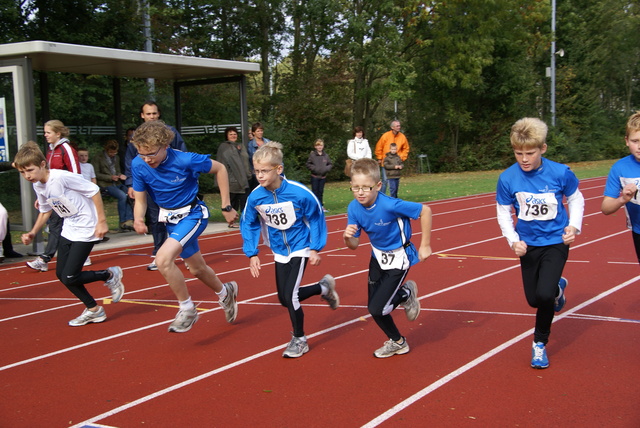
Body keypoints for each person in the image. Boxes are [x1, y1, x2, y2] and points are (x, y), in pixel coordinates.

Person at [131, 120, 239, 333]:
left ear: (166, 146)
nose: (146, 159)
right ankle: (225, 293)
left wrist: (226, 205)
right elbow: (141, 199)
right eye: (142, 153)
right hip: (170, 220)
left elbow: (220, 168)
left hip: (193, 214)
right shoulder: (138, 164)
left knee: (162, 259)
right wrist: (138, 219)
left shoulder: (185, 159)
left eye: (151, 154)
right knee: (197, 268)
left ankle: (187, 308)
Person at [496, 117, 584, 369]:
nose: (524, 159)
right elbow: (503, 211)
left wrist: (573, 226)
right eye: (518, 153)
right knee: (534, 299)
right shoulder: (507, 178)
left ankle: (539, 344)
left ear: (542, 149)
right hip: (528, 244)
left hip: (556, 241)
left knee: (543, 296)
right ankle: (558, 288)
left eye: (530, 153)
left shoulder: (560, 172)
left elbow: (576, 199)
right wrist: (513, 241)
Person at [241, 142, 339, 358]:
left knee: (291, 295)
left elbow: (316, 217)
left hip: (300, 245)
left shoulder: (300, 193)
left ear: (278, 169)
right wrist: (252, 252)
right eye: (256, 171)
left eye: (264, 171)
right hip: (279, 249)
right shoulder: (256, 197)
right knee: (283, 298)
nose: (259, 175)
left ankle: (299, 339)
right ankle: (323, 288)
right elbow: (248, 222)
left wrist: (314, 248)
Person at [14, 141, 125, 326]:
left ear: (43, 164)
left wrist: (102, 221)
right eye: (22, 172)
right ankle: (94, 310)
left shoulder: (61, 177)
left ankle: (109, 275)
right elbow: (45, 210)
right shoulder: (38, 185)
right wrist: (33, 232)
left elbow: (94, 190)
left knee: (70, 276)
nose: (27, 176)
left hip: (87, 226)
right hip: (70, 227)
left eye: (30, 170)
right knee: (61, 274)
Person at [343, 158, 432, 358]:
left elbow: (425, 211)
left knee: (377, 309)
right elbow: (354, 246)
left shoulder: (391, 204)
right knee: (374, 307)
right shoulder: (353, 208)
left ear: (378, 185)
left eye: (366, 187)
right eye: (355, 187)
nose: (360, 192)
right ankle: (398, 342)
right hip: (377, 257)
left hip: (399, 258)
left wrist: (425, 245)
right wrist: (347, 237)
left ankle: (406, 294)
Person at [125, 102, 188, 270]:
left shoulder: (171, 133)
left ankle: (189, 254)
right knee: (156, 218)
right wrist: (131, 183)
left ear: (158, 114)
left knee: (183, 217)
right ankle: (159, 253)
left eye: (154, 113)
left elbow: (183, 155)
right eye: (148, 114)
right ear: (142, 115)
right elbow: (131, 160)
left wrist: (183, 177)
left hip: (172, 184)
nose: (151, 116)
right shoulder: (136, 137)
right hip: (150, 184)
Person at [27, 120, 81, 273]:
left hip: (67, 195)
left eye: (48, 132)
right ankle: (50, 257)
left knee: (58, 226)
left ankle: (46, 258)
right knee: (57, 226)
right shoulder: (50, 151)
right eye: (45, 132)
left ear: (58, 133)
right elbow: (46, 175)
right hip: (54, 195)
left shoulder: (66, 149)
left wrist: (74, 193)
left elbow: (76, 173)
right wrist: (42, 196)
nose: (45, 135)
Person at [602, 111, 640, 264]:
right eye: (635, 141)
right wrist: (623, 199)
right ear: (626, 141)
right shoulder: (620, 168)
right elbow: (606, 208)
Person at [93, 140, 133, 231]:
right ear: (106, 150)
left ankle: (129, 220)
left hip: (117, 182)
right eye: (111, 152)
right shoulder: (98, 158)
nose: (113, 154)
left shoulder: (117, 158)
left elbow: (117, 170)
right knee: (122, 196)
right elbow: (96, 173)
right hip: (105, 184)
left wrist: (120, 175)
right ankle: (122, 221)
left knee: (130, 194)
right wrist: (110, 177)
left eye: (115, 152)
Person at [217, 126, 252, 228]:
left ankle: (246, 221)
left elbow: (245, 162)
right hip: (232, 180)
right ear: (227, 136)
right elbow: (223, 164)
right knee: (232, 202)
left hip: (243, 179)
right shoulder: (224, 147)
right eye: (231, 134)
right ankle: (231, 222)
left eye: (235, 134)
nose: (233, 136)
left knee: (245, 201)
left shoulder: (240, 147)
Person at [374, 120, 410, 195]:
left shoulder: (402, 136)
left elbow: (406, 148)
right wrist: (380, 158)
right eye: (397, 126)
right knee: (385, 180)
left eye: (399, 125)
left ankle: (393, 198)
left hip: (396, 163)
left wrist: (401, 158)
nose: (399, 127)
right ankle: (382, 198)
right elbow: (379, 147)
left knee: (395, 181)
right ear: (392, 127)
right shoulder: (385, 136)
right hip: (386, 162)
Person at [305, 138, 332, 210]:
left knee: (320, 192)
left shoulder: (325, 155)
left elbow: (330, 164)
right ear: (315, 146)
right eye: (318, 145)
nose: (320, 147)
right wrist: (314, 169)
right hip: (315, 177)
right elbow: (308, 164)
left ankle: (321, 205)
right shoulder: (312, 155)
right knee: (315, 192)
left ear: (323, 146)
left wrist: (326, 169)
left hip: (323, 177)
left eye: (321, 145)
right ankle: (315, 206)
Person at [246, 122, 271, 189]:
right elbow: (249, 161)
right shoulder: (249, 145)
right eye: (258, 131)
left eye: (261, 131)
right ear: (253, 133)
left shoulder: (268, 142)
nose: (260, 132)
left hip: (269, 171)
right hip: (256, 174)